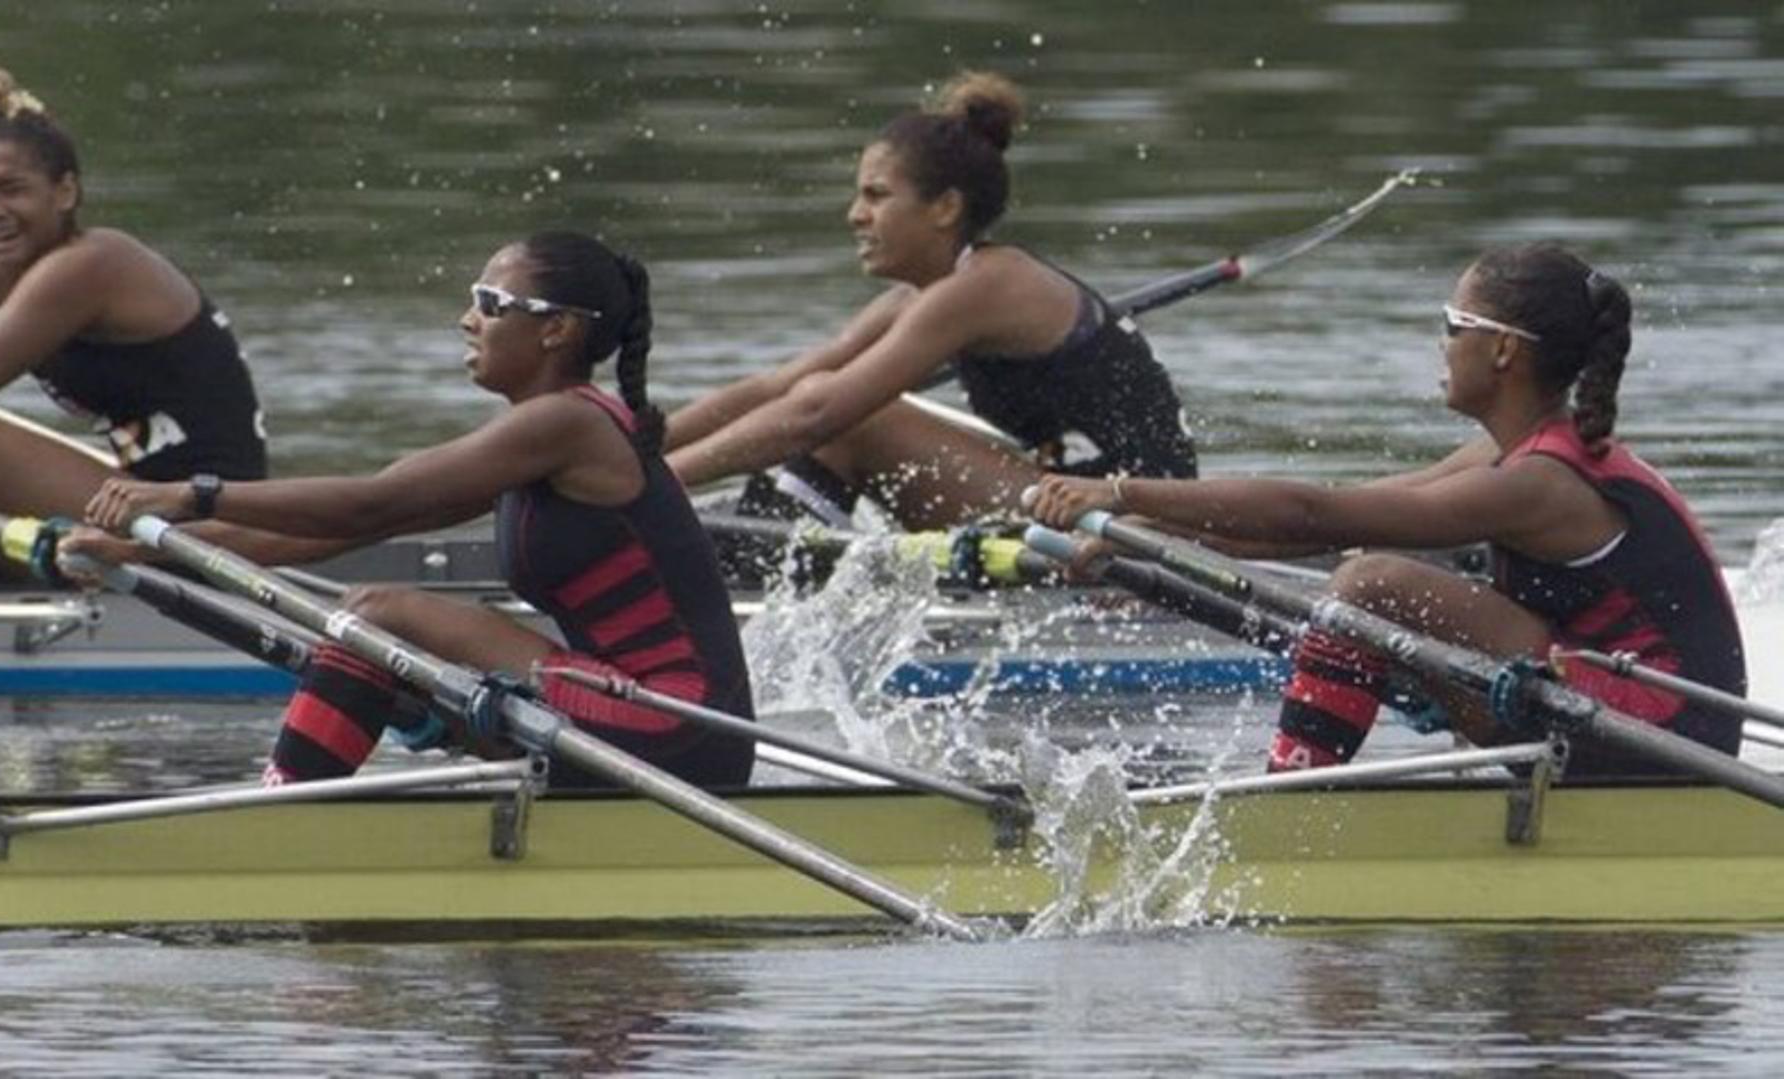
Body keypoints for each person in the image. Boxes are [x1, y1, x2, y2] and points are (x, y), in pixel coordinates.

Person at [1029, 242, 1745, 778]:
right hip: (1612, 710)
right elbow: (1327, 522)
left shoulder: (1540, 483)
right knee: (1366, 584)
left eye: (1451, 322)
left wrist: (1118, 492)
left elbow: (1317, 515)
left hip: (1668, 740)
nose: (1440, 342)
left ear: (1502, 349)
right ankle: (1305, 787)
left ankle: (1291, 795)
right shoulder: (1510, 455)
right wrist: (1147, 537)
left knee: (1372, 585)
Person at [78, 231, 755, 790]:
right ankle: (317, 798)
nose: (468, 319)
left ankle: (281, 814)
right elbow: (356, 524)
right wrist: (147, 548)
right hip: (635, 715)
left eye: (491, 303)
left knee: (379, 613)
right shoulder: (544, 436)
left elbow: (375, 495)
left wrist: (191, 492)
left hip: (680, 726)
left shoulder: (564, 425)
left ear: (557, 329)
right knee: (388, 644)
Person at [664, 71, 1195, 532]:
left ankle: (762, 564)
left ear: (944, 208)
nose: (854, 215)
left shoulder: (989, 284)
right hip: (1062, 495)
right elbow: (776, 389)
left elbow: (817, 414)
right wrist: (629, 441)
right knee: (821, 396)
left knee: (856, 418)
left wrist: (651, 483)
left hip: (1138, 517)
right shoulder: (925, 297)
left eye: (876, 195)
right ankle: (765, 549)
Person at [0, 58, 267, 575]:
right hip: (134, 496)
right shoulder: (3, 263)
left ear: (66, 192)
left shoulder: (92, 266)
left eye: (12, 189)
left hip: (208, 526)